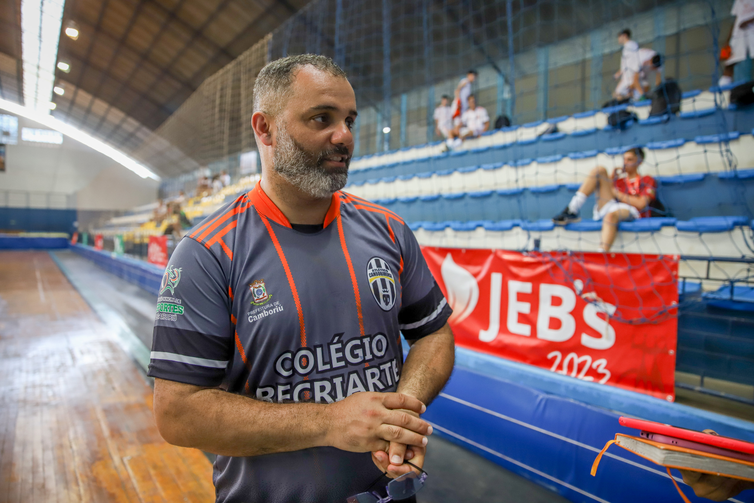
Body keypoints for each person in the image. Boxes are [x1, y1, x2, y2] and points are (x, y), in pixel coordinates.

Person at [148, 54, 455, 503]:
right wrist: (330, 422)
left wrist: (399, 414)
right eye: (321, 118)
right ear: (265, 128)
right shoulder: (207, 253)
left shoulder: (389, 231)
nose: (344, 136)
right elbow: (178, 413)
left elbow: (434, 334)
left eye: (349, 119)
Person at [552, 147, 656, 252]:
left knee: (610, 216)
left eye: (629, 160)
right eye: (624, 159)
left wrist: (615, 192)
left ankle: (602, 253)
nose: (625, 163)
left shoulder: (647, 179)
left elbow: (641, 204)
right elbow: (608, 194)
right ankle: (572, 209)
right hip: (612, 206)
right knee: (600, 170)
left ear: (639, 162)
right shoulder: (618, 181)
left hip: (631, 212)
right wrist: (612, 179)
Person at [719, 0, 754, 87]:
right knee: (730, 61)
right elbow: (736, 19)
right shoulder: (739, 1)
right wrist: (728, 40)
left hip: (751, 31)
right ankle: (723, 87)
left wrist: (749, 21)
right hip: (739, 34)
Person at [614, 29, 642, 100]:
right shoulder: (625, 48)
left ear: (625, 35)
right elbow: (626, 64)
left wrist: (635, 75)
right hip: (625, 77)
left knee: (634, 95)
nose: (618, 39)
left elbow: (636, 60)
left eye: (619, 36)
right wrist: (619, 73)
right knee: (619, 94)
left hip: (631, 76)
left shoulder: (632, 45)